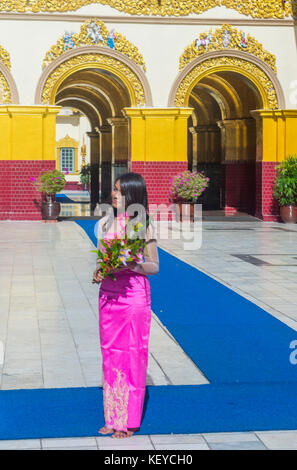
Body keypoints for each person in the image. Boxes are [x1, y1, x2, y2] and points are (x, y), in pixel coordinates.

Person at [93, 172, 159, 439]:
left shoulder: (143, 226)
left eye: (119, 191)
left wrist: (132, 265)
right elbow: (99, 261)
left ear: (132, 195)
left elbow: (154, 267)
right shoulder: (105, 223)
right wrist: (98, 272)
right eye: (114, 190)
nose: (114, 195)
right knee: (110, 354)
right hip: (108, 296)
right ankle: (113, 416)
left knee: (132, 355)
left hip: (133, 298)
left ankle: (128, 421)